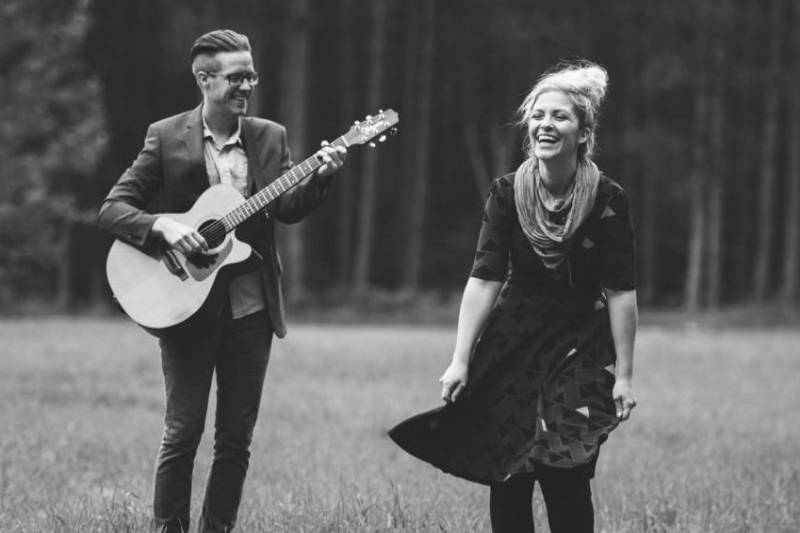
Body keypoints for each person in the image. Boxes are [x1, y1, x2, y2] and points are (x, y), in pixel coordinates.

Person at [96, 29, 347, 533]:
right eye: (235, 77)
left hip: (251, 311)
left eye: (251, 74)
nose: (247, 85)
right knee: (182, 435)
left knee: (235, 440)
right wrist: (162, 226)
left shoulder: (270, 136)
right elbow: (112, 209)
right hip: (183, 306)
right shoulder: (166, 136)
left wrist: (321, 176)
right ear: (204, 79)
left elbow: (287, 209)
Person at [389, 60, 637, 533]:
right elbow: (484, 278)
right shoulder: (506, 193)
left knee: (565, 468)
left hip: (579, 343)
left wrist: (624, 376)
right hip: (512, 340)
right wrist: (461, 358)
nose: (546, 124)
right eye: (539, 115)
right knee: (508, 469)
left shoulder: (608, 199)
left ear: (584, 134)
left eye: (560, 116)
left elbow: (622, 291)